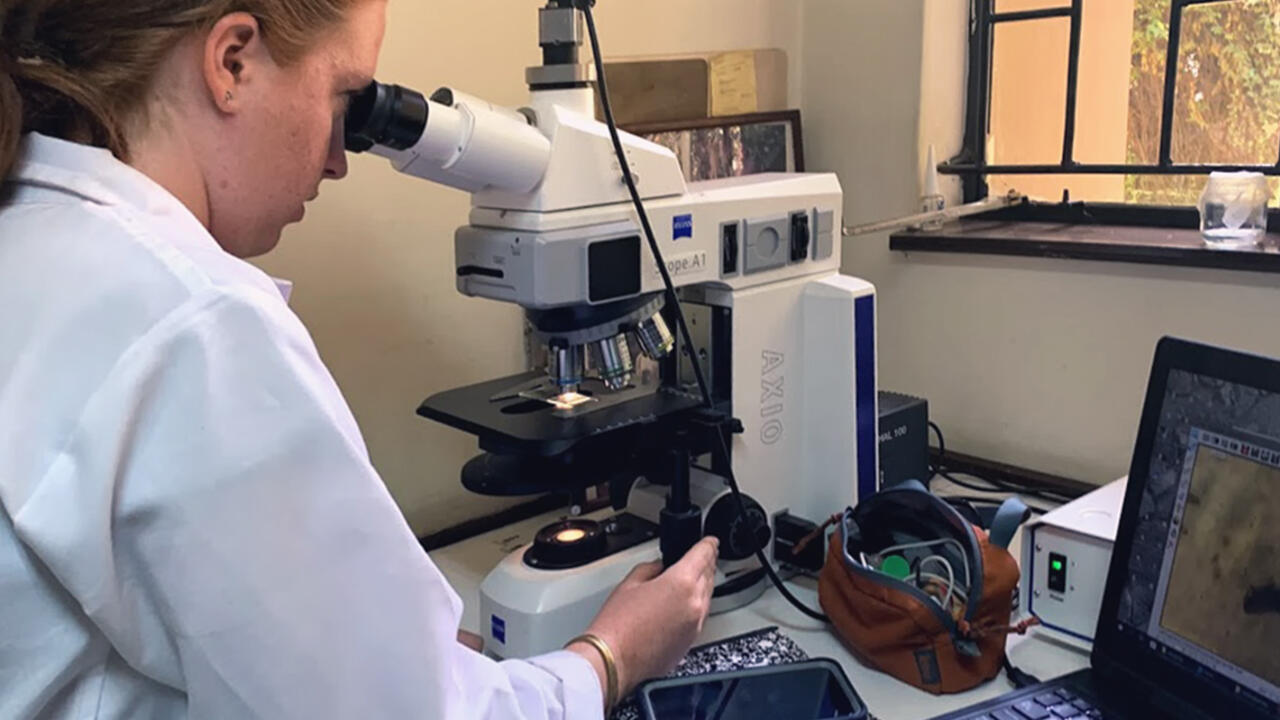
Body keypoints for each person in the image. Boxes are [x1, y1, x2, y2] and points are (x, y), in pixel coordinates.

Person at [0, 1, 720, 718]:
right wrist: (611, 655)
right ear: (232, 62)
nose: (341, 160)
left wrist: (393, 646)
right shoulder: (196, 323)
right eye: (348, 98)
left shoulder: (36, 230)